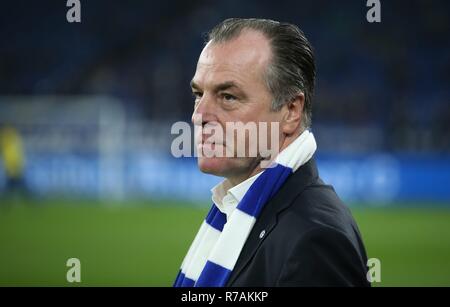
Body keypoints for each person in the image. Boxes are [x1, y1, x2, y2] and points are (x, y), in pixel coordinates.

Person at [174, 18, 370, 287]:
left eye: (228, 96)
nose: (199, 116)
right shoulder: (237, 211)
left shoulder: (315, 239)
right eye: (199, 94)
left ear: (290, 111)